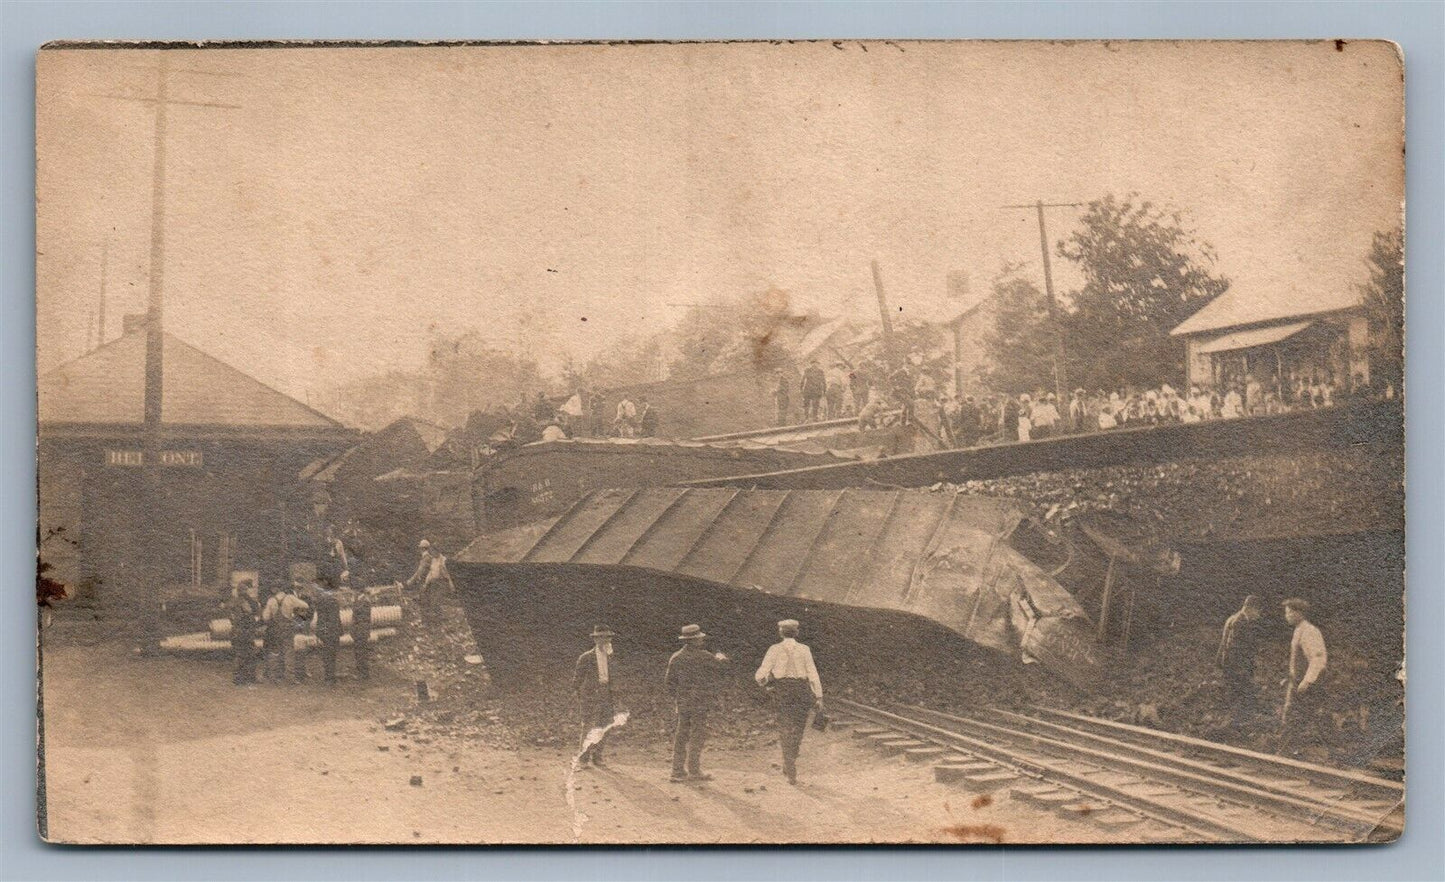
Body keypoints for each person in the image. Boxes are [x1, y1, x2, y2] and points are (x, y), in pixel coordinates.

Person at [754, 619, 823, 785]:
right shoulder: (804, 649)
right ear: (797, 633)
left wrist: (767, 685)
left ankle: (789, 765)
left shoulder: (774, 649)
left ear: (780, 633)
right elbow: (813, 674)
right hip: (802, 691)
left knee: (785, 728)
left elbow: (760, 675)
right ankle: (791, 759)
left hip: (782, 692)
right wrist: (819, 696)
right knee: (798, 728)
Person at [664, 624, 730, 783]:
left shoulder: (676, 657)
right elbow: (722, 668)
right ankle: (694, 770)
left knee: (681, 735)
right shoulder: (705, 656)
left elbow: (669, 683)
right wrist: (722, 657)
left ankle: (677, 771)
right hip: (700, 701)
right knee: (697, 734)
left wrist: (679, 697)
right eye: (699, 638)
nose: (701, 639)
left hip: (683, 702)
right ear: (693, 640)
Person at [1279, 598, 1329, 754]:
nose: (1286, 616)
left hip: (1306, 683)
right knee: (1296, 716)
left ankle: (1286, 753)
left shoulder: (1310, 631)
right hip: (1297, 681)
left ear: (1298, 613)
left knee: (1296, 716)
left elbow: (1318, 658)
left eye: (1289, 612)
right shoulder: (1299, 630)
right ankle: (1288, 751)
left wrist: (1307, 681)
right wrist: (1290, 676)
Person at [574, 625, 619, 768]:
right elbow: (577, 681)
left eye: (607, 637)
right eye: (601, 637)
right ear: (595, 639)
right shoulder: (586, 657)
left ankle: (597, 756)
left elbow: (614, 677)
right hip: (591, 695)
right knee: (588, 726)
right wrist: (583, 697)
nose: (604, 640)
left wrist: (614, 692)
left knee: (605, 726)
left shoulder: (611, 656)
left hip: (607, 693)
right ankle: (583, 758)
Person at [1216, 595, 1265, 727]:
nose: (1258, 616)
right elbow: (1233, 647)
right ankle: (1235, 724)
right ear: (1251, 608)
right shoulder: (1240, 622)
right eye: (1258, 611)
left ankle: (1235, 722)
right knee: (1241, 694)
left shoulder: (1234, 618)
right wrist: (1241, 669)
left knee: (1238, 694)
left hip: (1232, 665)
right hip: (1236, 667)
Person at [262, 581, 309, 684]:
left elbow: (265, 617)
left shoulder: (271, 600)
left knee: (275, 651)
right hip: (287, 628)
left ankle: (274, 676)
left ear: (275, 589)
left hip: (275, 628)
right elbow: (305, 605)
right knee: (289, 651)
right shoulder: (290, 598)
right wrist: (294, 613)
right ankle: (290, 676)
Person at [406, 539, 455, 623]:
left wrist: (451, 584)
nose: (433, 553)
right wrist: (426, 583)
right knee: (432, 602)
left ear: (438, 551)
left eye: (434, 551)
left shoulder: (443, 560)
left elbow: (448, 574)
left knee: (436, 602)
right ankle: (434, 621)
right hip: (433, 583)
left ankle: (438, 621)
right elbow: (431, 573)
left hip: (441, 582)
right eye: (432, 551)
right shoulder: (433, 560)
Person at [228, 579, 263, 686]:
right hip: (245, 630)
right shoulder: (245, 601)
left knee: (240, 654)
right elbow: (252, 611)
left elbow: (231, 615)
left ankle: (239, 677)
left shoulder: (233, 601)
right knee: (248, 654)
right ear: (245, 590)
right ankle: (247, 677)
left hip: (236, 630)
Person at [311, 581, 343, 686]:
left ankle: (329, 677)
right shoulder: (334, 601)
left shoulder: (322, 601)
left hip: (327, 632)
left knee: (327, 655)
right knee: (331, 655)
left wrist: (320, 632)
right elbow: (335, 619)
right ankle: (330, 677)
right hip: (333, 632)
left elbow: (322, 620)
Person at [351, 586, 373, 680]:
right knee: (359, 652)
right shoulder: (362, 600)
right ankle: (362, 672)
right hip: (360, 630)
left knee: (361, 652)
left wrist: (354, 603)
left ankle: (363, 674)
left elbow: (359, 614)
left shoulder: (365, 602)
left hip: (361, 630)